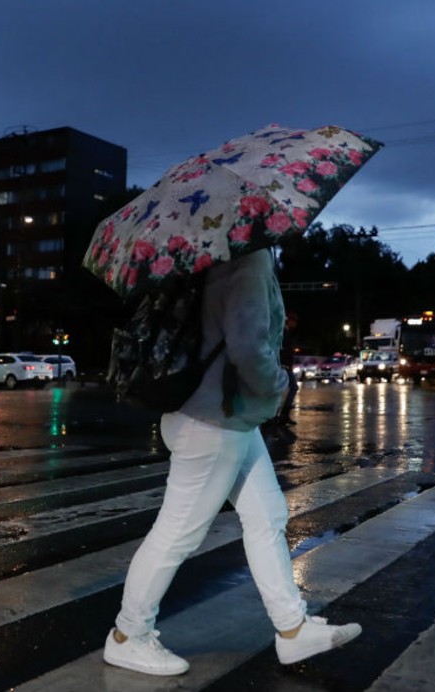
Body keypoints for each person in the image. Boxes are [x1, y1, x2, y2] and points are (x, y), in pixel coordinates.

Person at [104, 249, 362, 676]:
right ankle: (128, 635)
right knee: (177, 535)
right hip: (214, 422)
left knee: (268, 517)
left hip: (228, 418)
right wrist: (279, 384)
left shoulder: (209, 254)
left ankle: (292, 630)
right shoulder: (248, 257)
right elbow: (247, 345)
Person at [267, 311, 299, 427]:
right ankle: (279, 415)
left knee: (283, 389)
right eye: (294, 322)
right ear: (289, 321)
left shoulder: (285, 332)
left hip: (285, 365)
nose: (295, 325)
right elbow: (281, 349)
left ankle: (278, 415)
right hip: (283, 366)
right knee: (290, 388)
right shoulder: (283, 333)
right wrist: (283, 364)